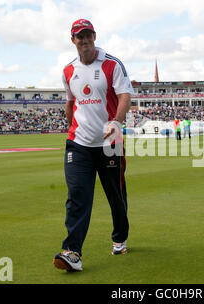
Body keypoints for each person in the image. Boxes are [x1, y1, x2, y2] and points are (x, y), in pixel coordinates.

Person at [53, 18, 134, 272]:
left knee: (115, 195)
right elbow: (70, 102)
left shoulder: (112, 64)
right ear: (73, 40)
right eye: (80, 36)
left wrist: (116, 123)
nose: (84, 40)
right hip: (78, 145)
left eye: (88, 35)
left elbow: (125, 96)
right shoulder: (68, 70)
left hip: (110, 142)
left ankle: (120, 238)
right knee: (78, 195)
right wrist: (72, 128)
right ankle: (72, 252)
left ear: (95, 36)